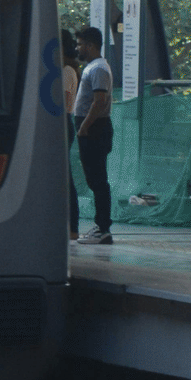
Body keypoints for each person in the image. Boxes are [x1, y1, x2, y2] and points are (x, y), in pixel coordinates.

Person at [72, 27, 113, 246]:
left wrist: (85, 126)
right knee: (94, 178)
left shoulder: (98, 69)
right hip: (92, 129)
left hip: (95, 130)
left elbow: (100, 102)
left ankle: (103, 227)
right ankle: (101, 226)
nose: (77, 48)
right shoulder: (92, 68)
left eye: (79, 44)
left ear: (90, 45)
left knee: (98, 180)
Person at [61, 30, 82, 242]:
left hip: (62, 122)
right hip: (62, 122)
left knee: (65, 176)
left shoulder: (67, 70)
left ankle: (72, 226)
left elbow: (65, 101)